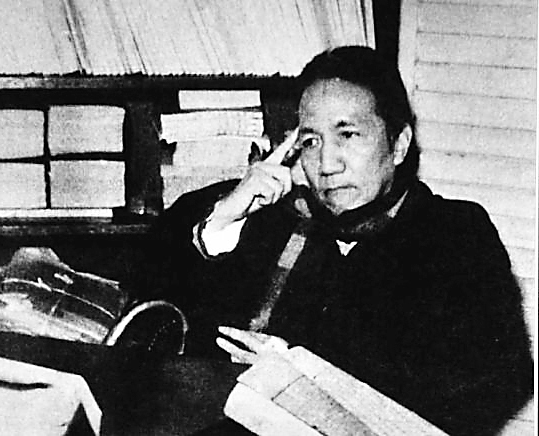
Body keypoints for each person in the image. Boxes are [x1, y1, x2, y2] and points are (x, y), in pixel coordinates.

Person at [144, 46, 533, 436]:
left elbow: (496, 379)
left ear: (398, 145)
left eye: (347, 135)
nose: (327, 165)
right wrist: (220, 224)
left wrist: (308, 375)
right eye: (311, 142)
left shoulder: (454, 235)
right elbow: (154, 321)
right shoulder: (276, 216)